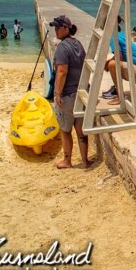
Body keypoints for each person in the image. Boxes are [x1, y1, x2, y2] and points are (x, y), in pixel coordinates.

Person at [48, 15, 90, 169]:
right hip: (81, 93)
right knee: (80, 130)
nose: (56, 30)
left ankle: (67, 160)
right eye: (55, 27)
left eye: (58, 27)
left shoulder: (62, 47)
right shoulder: (78, 44)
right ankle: (85, 161)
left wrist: (57, 93)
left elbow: (62, 72)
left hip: (67, 95)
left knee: (65, 130)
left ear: (66, 28)